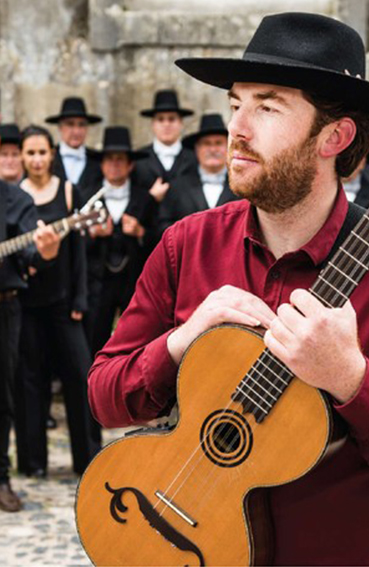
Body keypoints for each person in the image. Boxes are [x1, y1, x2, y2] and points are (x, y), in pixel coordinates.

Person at [88, 12, 369, 566]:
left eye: (267, 107)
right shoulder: (185, 244)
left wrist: (351, 380)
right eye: (236, 103)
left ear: (334, 136)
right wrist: (180, 342)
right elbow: (103, 397)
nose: (237, 128)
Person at [15, 125, 100, 479]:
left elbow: (79, 251)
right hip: (26, 306)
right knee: (29, 382)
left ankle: (88, 459)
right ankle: (33, 463)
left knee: (80, 376)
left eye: (42, 152)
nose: (36, 159)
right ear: (22, 156)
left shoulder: (68, 192)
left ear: (52, 154)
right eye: (30, 153)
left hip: (64, 303)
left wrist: (79, 297)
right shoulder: (13, 195)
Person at [0, 177, 60, 512]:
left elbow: (31, 253)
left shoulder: (14, 199)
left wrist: (46, 250)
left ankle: (0, 478)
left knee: (2, 396)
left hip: (3, 306)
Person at [88, 126, 149, 354]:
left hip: (133, 282)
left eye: (120, 159)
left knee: (133, 338)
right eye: (109, 159)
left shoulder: (144, 198)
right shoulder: (87, 195)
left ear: (130, 164)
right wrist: (93, 234)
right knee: (96, 336)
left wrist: (140, 232)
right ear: (102, 164)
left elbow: (158, 237)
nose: (115, 164)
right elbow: (75, 243)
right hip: (98, 282)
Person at [132, 89, 197, 248]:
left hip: (188, 240)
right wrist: (150, 197)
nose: (166, 124)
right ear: (153, 124)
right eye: (161, 119)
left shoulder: (195, 158)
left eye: (172, 119)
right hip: (146, 242)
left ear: (180, 123)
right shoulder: (138, 159)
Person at [159, 113, 239, 233]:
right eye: (207, 143)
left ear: (228, 148)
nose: (212, 150)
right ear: (196, 149)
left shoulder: (242, 186)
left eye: (218, 143)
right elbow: (163, 227)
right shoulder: (177, 187)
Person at [45, 97, 103, 204]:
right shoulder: (47, 158)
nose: (76, 131)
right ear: (60, 127)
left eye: (81, 125)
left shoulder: (99, 161)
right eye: (70, 124)